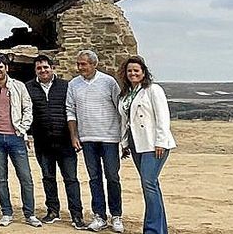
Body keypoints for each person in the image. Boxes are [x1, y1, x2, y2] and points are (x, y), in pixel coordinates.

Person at [0, 54, 42, 228]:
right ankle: (7, 212)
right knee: (1, 178)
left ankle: (30, 214)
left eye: (1, 67)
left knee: (25, 177)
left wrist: (22, 129)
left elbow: (28, 108)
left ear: (7, 68)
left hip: (16, 137)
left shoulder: (18, 86)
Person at [66, 50, 124, 233]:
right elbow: (70, 111)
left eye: (83, 64)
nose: (80, 67)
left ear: (94, 64)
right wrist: (74, 136)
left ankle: (116, 216)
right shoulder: (74, 84)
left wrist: (123, 138)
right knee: (94, 178)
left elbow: (120, 108)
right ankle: (99, 216)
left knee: (112, 178)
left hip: (109, 138)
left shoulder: (108, 82)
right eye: (78, 64)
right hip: (87, 138)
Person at [25, 55, 84, 228]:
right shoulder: (29, 88)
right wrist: (27, 134)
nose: (43, 71)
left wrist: (75, 136)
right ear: (35, 70)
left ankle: (77, 214)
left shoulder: (66, 86)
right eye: (39, 68)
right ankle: (52, 211)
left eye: (45, 67)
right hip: (43, 142)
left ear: (52, 68)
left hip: (65, 141)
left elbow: (74, 110)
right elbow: (27, 112)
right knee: (48, 178)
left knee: (71, 179)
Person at [118, 56, 175, 234]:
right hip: (136, 144)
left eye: (136, 70)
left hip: (153, 143)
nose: (133, 73)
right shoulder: (126, 94)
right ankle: (159, 229)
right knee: (150, 185)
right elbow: (126, 121)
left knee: (148, 183)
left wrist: (160, 141)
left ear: (143, 72)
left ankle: (152, 230)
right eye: (129, 71)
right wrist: (125, 142)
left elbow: (163, 117)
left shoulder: (152, 90)